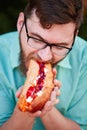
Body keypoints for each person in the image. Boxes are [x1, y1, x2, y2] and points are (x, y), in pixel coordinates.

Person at [0, 0, 87, 130]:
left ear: (74, 36)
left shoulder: (84, 57)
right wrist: (28, 107)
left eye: (60, 46)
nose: (45, 56)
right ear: (20, 24)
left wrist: (46, 107)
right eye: (37, 39)